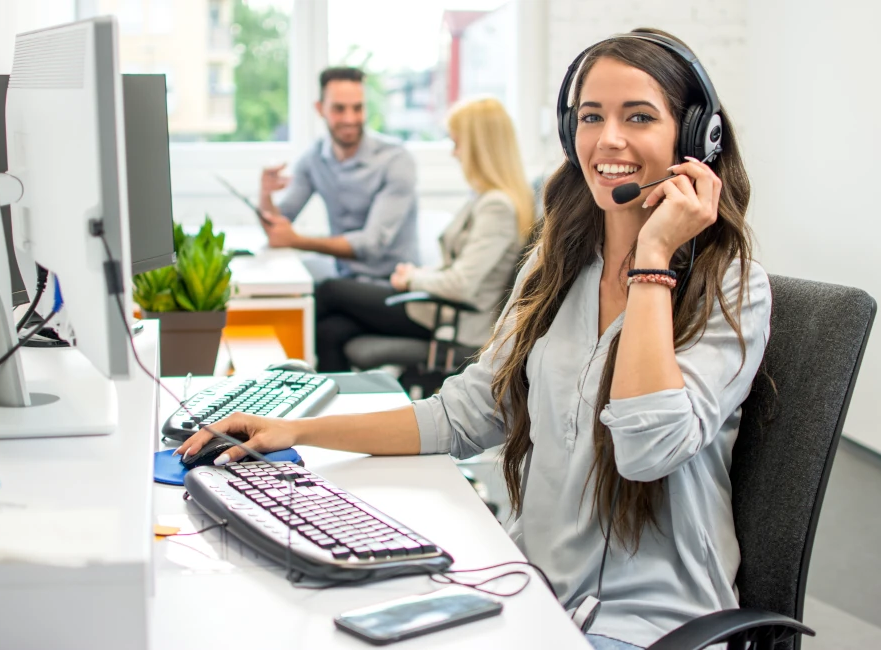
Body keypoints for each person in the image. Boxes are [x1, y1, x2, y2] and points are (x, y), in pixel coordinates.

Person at [179, 28, 772, 650]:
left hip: (647, 626)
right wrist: (298, 433)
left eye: (640, 116)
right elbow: (467, 414)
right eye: (592, 116)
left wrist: (653, 259)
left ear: (697, 137)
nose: (609, 139)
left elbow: (647, 452)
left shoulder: (731, 289)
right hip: (532, 590)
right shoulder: (559, 266)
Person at [311, 96, 535, 372]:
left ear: (478, 147)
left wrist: (413, 279)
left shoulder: (496, 206)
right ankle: (334, 412)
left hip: (452, 321)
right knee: (331, 331)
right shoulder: (486, 198)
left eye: (457, 143)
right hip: (439, 310)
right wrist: (421, 274)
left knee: (329, 291)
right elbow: (461, 268)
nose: (454, 153)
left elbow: (462, 284)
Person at [257, 67, 419, 282]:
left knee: (321, 293)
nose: (350, 118)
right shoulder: (314, 159)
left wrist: (296, 241)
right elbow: (278, 225)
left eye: (358, 108)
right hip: (346, 280)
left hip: (392, 285)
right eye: (339, 109)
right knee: (289, 291)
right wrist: (266, 194)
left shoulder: (395, 160)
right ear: (320, 108)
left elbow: (372, 244)